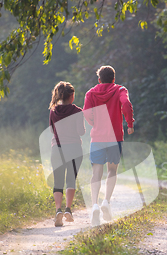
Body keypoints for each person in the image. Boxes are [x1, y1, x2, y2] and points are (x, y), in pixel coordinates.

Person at [83, 65, 134, 226]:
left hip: (97, 138)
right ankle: (106, 201)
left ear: (99, 79)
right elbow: (126, 104)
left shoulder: (91, 93)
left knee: (96, 172)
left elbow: (86, 112)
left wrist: (94, 123)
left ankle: (95, 205)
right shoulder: (120, 90)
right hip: (115, 138)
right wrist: (130, 123)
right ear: (114, 78)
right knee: (112, 170)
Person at [49, 81, 86, 227]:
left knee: (58, 181)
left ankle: (58, 210)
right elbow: (81, 132)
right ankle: (68, 210)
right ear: (72, 96)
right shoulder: (77, 111)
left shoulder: (53, 111)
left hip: (57, 149)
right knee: (71, 179)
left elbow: (52, 130)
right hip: (74, 148)